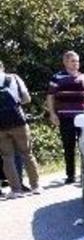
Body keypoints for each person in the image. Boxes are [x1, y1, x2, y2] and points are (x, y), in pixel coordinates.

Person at [45, 50, 84, 185]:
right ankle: (70, 175)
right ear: (65, 62)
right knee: (69, 146)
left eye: (77, 61)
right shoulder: (57, 78)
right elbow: (50, 96)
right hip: (65, 117)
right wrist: (52, 113)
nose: (76, 64)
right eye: (73, 61)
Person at [0, 61, 40, 197]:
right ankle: (35, 186)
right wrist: (17, 104)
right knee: (27, 153)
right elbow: (27, 98)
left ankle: (16, 190)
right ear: (2, 67)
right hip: (18, 121)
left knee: (7, 157)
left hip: (0, 127)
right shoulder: (14, 78)